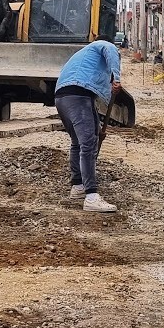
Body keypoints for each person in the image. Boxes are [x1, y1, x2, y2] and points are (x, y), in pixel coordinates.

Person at [53, 35, 122, 212]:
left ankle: (78, 186)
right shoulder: (104, 45)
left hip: (63, 97)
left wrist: (97, 129)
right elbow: (109, 49)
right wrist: (116, 79)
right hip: (78, 95)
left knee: (78, 143)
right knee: (88, 145)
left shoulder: (84, 57)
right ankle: (91, 196)